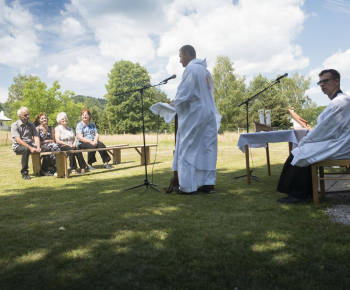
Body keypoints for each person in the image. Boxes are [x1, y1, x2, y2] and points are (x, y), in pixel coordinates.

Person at [277, 69, 350, 204]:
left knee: (300, 152)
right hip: (339, 141)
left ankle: (300, 195)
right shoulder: (339, 100)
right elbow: (326, 129)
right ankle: (305, 192)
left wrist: (304, 141)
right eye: (320, 82)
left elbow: (325, 130)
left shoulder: (340, 102)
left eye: (325, 81)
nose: (322, 84)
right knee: (300, 151)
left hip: (342, 145)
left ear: (337, 81)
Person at [171, 45, 221, 195]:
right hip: (209, 113)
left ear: (187, 54)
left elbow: (185, 94)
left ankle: (187, 186)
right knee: (207, 147)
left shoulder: (191, 70)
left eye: (180, 56)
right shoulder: (205, 71)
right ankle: (208, 184)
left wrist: (175, 103)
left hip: (196, 114)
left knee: (188, 146)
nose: (180, 61)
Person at [11, 107, 50, 179]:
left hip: (31, 144)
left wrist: (38, 147)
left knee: (47, 148)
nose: (28, 116)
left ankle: (44, 170)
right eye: (25, 115)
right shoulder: (14, 125)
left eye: (28, 114)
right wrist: (30, 148)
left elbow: (36, 136)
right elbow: (17, 139)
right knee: (26, 149)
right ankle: (24, 173)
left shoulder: (31, 124)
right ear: (20, 116)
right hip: (18, 146)